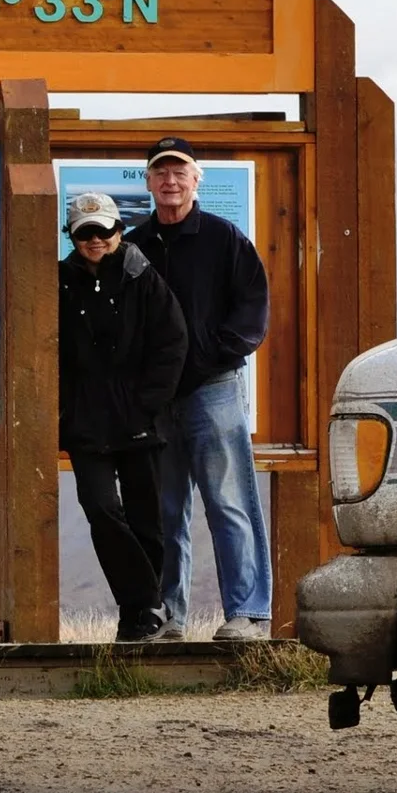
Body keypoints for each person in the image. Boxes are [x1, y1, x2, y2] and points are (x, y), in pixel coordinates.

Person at [125, 136, 273, 641]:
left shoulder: (224, 238)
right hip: (155, 401)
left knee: (228, 503)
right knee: (164, 510)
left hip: (214, 390)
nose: (170, 181)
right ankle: (170, 615)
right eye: (161, 172)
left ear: (196, 180)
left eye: (179, 172)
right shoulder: (133, 246)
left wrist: (214, 355)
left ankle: (248, 614)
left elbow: (252, 308)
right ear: (147, 181)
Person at [58, 191, 189, 641]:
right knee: (102, 511)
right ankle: (147, 603)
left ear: (119, 230)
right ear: (72, 236)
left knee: (146, 519)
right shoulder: (57, 282)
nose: (96, 239)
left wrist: (146, 405)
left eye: (105, 229)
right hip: (85, 422)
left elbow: (172, 344)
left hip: (140, 422)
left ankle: (137, 619)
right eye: (85, 232)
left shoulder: (145, 279)